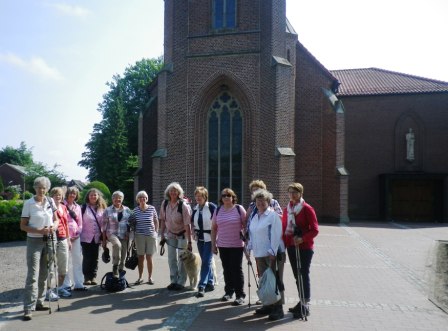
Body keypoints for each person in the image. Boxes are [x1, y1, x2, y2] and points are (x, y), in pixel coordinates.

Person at [20, 176, 59, 321]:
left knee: (45, 273)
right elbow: (23, 226)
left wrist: (54, 227)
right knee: (33, 274)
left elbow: (56, 219)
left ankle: (39, 302)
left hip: (50, 240)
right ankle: (28, 308)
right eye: (39, 187)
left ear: (47, 189)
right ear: (34, 188)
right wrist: (39, 230)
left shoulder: (50, 201)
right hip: (34, 241)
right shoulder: (29, 203)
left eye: (44, 188)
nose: (41, 190)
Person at [245, 189, 285, 320]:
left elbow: (276, 234)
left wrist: (273, 251)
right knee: (264, 281)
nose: (260, 203)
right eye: (258, 201)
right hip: (259, 254)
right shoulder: (255, 216)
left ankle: (278, 308)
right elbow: (252, 234)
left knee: (274, 281)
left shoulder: (272, 216)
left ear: (268, 202)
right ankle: (268, 305)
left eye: (263, 201)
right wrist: (248, 248)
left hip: (270, 254)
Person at [282, 183, 319, 318]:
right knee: (297, 276)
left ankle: (305, 304)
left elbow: (315, 229)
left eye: (295, 192)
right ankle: (301, 301)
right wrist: (285, 245)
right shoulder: (287, 209)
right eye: (290, 192)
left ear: (301, 193)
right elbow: (285, 227)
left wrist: (302, 239)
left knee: (303, 274)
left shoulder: (307, 209)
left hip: (304, 247)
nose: (292, 195)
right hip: (292, 247)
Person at [211, 188, 247, 305]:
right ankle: (228, 292)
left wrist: (247, 242)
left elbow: (246, 226)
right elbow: (213, 229)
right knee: (226, 269)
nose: (226, 197)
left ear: (233, 197)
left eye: (228, 195)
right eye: (224, 195)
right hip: (223, 245)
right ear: (221, 198)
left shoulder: (239, 209)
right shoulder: (217, 210)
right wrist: (213, 245)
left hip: (237, 245)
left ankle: (240, 294)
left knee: (236, 269)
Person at [159, 182, 192, 291]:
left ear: (179, 193)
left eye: (175, 191)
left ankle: (181, 281)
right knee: (171, 258)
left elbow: (187, 224)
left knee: (181, 258)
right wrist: (162, 234)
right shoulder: (164, 204)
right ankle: (173, 280)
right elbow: (163, 220)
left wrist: (190, 241)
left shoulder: (183, 205)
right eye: (171, 191)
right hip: (170, 235)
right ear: (168, 192)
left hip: (182, 235)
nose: (173, 192)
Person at [191, 186, 217, 297]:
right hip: (200, 239)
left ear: (205, 197)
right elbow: (193, 222)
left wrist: (216, 239)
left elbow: (217, 222)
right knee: (206, 261)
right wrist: (193, 231)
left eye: (200, 196)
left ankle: (202, 285)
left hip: (210, 238)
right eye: (196, 196)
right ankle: (210, 282)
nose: (198, 198)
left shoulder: (211, 207)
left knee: (206, 261)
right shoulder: (195, 208)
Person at [102, 191, 132, 278]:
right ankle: (115, 267)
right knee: (117, 245)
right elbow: (103, 227)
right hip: (111, 233)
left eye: (119, 197)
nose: (117, 199)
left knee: (123, 254)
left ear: (122, 199)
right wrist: (104, 240)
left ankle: (120, 271)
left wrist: (128, 233)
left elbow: (130, 223)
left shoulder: (127, 209)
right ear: (112, 199)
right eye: (115, 197)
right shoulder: (107, 210)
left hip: (124, 234)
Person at [80, 188, 106, 285]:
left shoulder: (102, 208)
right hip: (85, 237)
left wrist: (104, 238)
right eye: (91, 195)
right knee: (87, 257)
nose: (93, 196)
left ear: (98, 196)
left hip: (97, 237)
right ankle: (87, 277)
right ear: (88, 197)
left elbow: (104, 224)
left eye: (95, 195)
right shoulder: (83, 208)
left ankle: (93, 277)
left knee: (95, 258)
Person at [132, 190, 159, 285]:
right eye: (140, 197)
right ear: (137, 200)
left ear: (146, 199)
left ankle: (150, 277)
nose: (142, 199)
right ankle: (140, 277)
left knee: (149, 257)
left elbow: (156, 221)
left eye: (144, 197)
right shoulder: (135, 210)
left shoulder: (152, 208)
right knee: (140, 257)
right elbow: (132, 223)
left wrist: (156, 232)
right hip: (139, 236)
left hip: (151, 235)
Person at [62, 186, 85, 291]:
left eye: (74, 193)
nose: (72, 195)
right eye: (71, 193)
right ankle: (66, 284)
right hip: (64, 237)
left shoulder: (78, 207)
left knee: (77, 260)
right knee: (65, 261)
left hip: (76, 237)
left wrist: (78, 233)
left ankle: (79, 283)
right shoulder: (62, 205)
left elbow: (80, 222)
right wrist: (67, 237)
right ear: (67, 194)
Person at [50, 187, 72, 299]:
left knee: (63, 267)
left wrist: (68, 239)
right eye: (55, 194)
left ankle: (60, 288)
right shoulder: (49, 207)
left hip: (63, 238)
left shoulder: (64, 207)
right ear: (51, 196)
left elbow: (66, 224)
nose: (58, 196)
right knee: (51, 267)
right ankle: (49, 290)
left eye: (59, 195)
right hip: (52, 238)